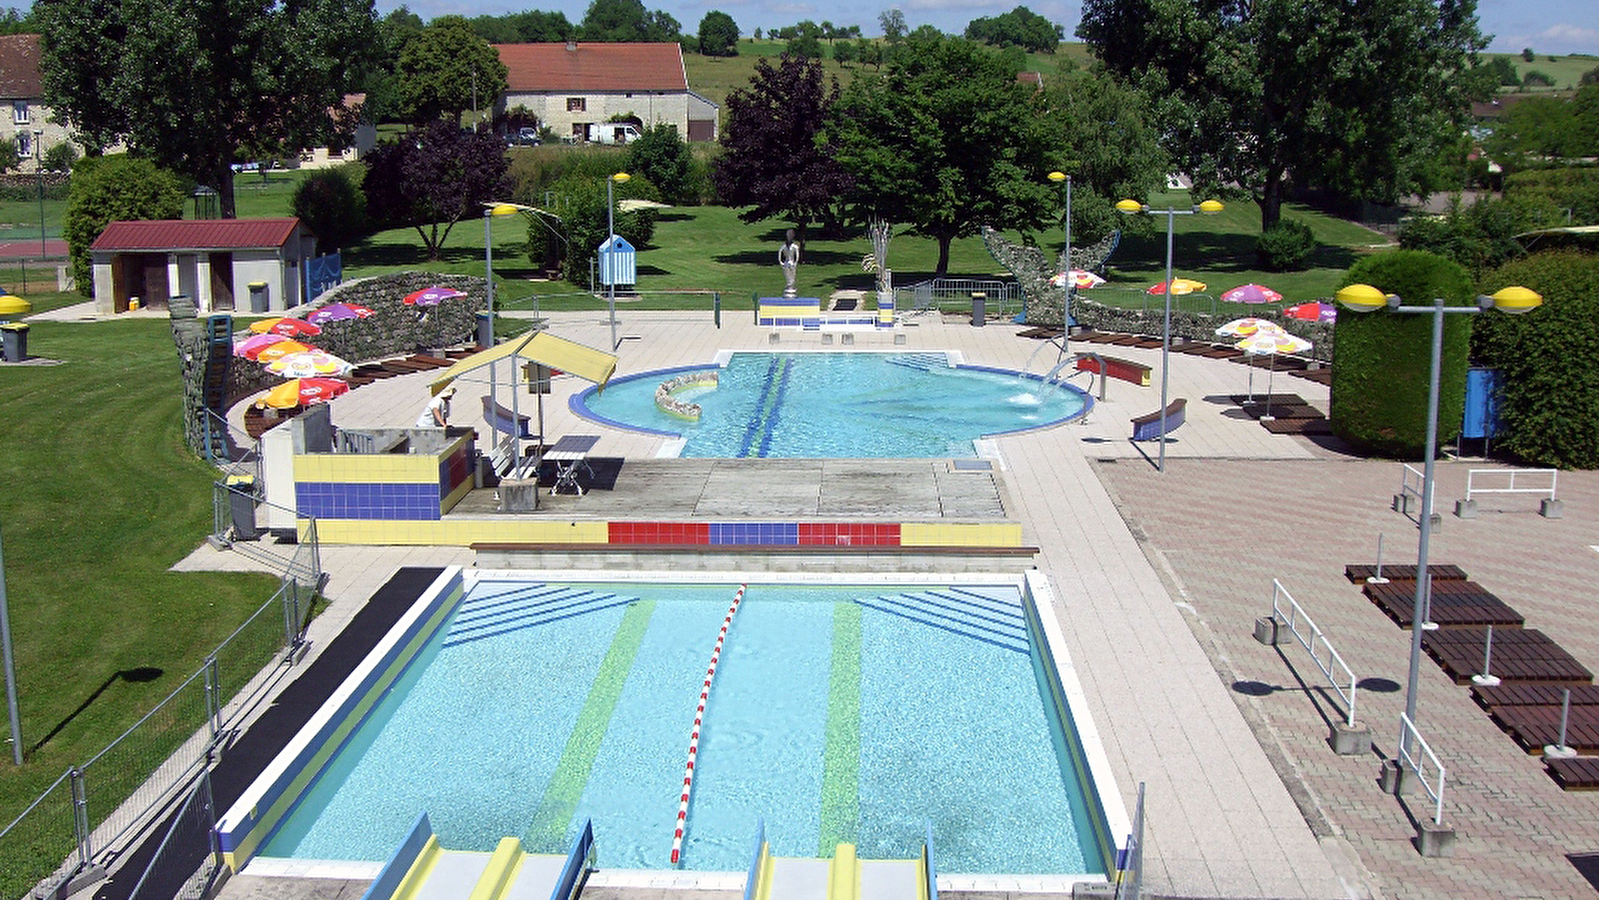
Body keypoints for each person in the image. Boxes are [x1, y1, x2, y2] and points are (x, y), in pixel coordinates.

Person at [778, 228, 800, 297]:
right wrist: (781, 262)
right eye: (788, 235)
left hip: (792, 263)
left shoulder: (794, 246)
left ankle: (791, 286)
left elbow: (797, 256)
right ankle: (788, 285)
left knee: (792, 275)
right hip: (786, 262)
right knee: (787, 275)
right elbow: (780, 253)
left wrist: (795, 263)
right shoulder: (784, 246)